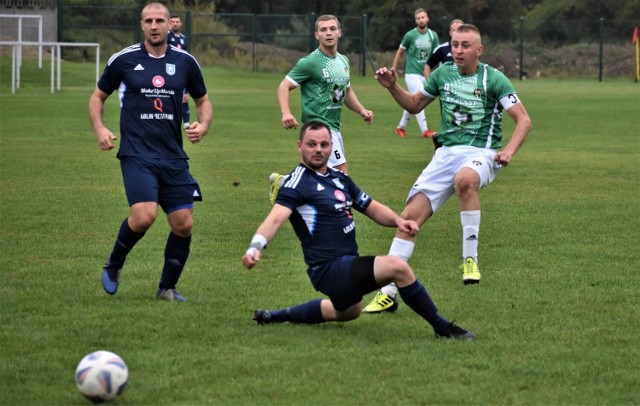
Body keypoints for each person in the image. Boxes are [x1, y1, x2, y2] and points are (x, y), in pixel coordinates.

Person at [242, 120, 475, 340]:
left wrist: (398, 221)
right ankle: (442, 327)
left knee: (349, 311)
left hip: (346, 263)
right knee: (398, 267)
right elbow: (274, 220)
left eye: (324, 144)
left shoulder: (339, 178)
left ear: (331, 147)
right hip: (328, 269)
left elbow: (371, 207)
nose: (318, 150)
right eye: (311, 144)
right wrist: (255, 247)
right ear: (299, 146)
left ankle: (275, 316)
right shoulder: (296, 183)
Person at [364, 24, 532, 313]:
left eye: (465, 45)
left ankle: (470, 259)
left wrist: (508, 151)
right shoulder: (442, 75)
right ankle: (388, 292)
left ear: (479, 50)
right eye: (454, 44)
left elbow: (524, 120)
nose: (458, 50)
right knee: (408, 219)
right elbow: (415, 105)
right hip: (444, 155)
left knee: (464, 181)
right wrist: (393, 86)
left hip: (483, 152)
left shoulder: (494, 78)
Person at [88, 2, 213, 302]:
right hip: (137, 153)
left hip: (172, 155)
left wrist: (204, 124)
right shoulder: (124, 60)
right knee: (144, 216)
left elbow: (203, 100)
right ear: (141, 25)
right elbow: (97, 97)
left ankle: (166, 288)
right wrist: (100, 129)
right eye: (149, 21)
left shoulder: (185, 61)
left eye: (160, 21)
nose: (154, 26)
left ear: (170, 24)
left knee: (183, 223)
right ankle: (114, 263)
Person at [270, 14, 374, 205]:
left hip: (335, 126)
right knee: (342, 174)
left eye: (332, 29)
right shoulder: (310, 62)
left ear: (339, 33)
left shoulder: (343, 61)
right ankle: (340, 215)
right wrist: (286, 112)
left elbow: (346, 91)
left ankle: (285, 183)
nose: (328, 33)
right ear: (316, 35)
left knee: (319, 173)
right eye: (323, 30)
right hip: (318, 127)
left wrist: (361, 110)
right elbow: (283, 86)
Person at [391, 8, 439, 139]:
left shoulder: (433, 35)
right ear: (415, 20)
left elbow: (437, 55)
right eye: (418, 18)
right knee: (418, 101)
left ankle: (400, 127)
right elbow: (400, 52)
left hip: (426, 74)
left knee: (412, 102)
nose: (421, 20)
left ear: (427, 18)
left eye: (423, 17)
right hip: (412, 74)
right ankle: (425, 130)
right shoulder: (410, 35)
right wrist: (394, 69)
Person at [424, 18, 464, 149]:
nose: (457, 31)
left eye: (460, 29)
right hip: (447, 90)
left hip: (465, 89)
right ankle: (444, 144)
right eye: (454, 29)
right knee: (449, 118)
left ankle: (443, 142)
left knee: (464, 117)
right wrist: (431, 84)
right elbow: (428, 65)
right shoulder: (442, 49)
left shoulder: (469, 49)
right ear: (450, 32)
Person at [168, 14, 191, 129]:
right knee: (170, 96)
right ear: (169, 23)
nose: (175, 24)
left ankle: (186, 124)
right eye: (173, 22)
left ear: (181, 24)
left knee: (185, 97)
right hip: (169, 70)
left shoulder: (183, 38)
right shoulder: (166, 36)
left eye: (177, 22)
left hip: (181, 70)